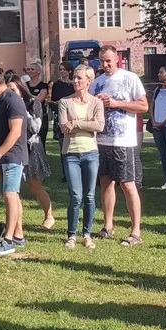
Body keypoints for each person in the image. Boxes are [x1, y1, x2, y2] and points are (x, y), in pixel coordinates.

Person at [91, 46, 149, 246]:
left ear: (117, 58)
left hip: (123, 140)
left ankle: (136, 232)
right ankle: (108, 226)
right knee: (106, 183)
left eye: (108, 60)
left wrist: (116, 104)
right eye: (102, 61)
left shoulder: (130, 78)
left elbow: (143, 106)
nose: (105, 65)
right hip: (102, 140)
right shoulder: (97, 82)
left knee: (127, 184)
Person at [0, 68, 30, 257]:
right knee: (13, 196)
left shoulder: (13, 101)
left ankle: (8, 241)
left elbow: (15, 132)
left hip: (13, 156)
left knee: (10, 195)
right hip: (4, 156)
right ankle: (18, 236)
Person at [59, 63, 105, 249]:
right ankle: (71, 235)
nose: (76, 81)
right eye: (74, 78)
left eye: (80, 78)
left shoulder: (96, 102)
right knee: (75, 196)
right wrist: (88, 123)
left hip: (91, 153)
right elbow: (64, 127)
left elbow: (99, 126)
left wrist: (76, 123)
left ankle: (87, 234)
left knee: (90, 196)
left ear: (89, 81)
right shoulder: (65, 102)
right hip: (71, 153)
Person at [13, 72, 56, 229]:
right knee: (13, 189)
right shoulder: (7, 104)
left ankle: (49, 216)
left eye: (13, 89)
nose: (11, 93)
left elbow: (36, 128)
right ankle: (16, 223)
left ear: (21, 88)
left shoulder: (33, 103)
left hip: (31, 148)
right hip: (14, 148)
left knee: (34, 186)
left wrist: (22, 112)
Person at [25, 62, 51, 150]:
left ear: (38, 71)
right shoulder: (25, 85)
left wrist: (28, 94)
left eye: (32, 69)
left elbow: (40, 99)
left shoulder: (43, 85)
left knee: (40, 141)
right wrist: (34, 96)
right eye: (28, 69)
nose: (29, 71)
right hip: (27, 115)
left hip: (40, 117)